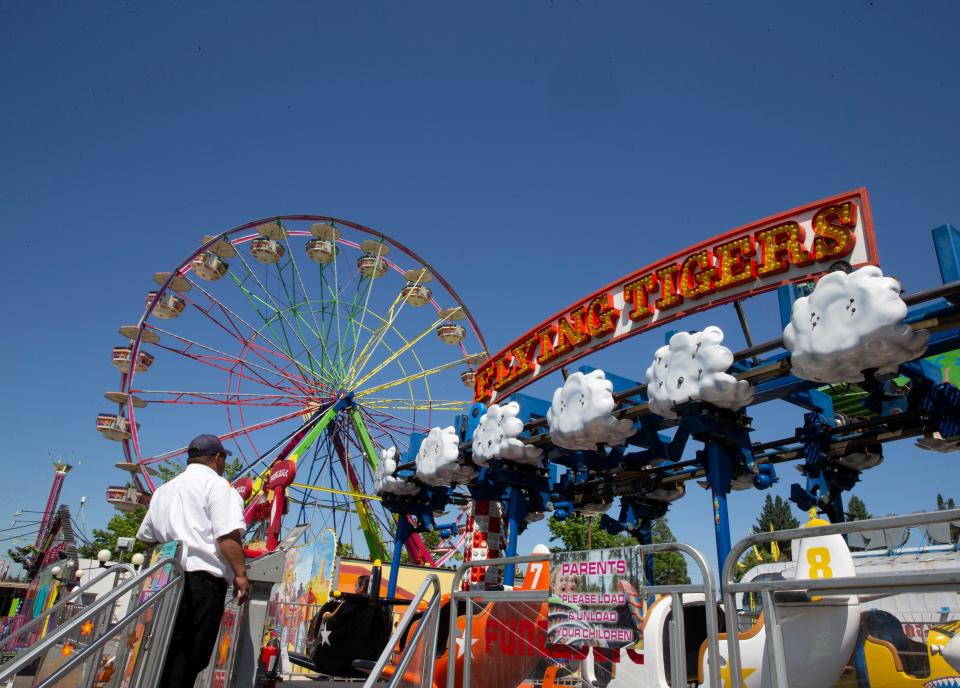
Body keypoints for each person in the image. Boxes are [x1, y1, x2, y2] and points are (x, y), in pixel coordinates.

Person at [136, 434, 249, 687]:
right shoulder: (218, 487)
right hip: (201, 583)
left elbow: (146, 537)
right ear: (218, 458)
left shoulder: (164, 490)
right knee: (190, 655)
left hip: (166, 581)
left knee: (163, 651)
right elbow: (227, 537)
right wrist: (241, 574)